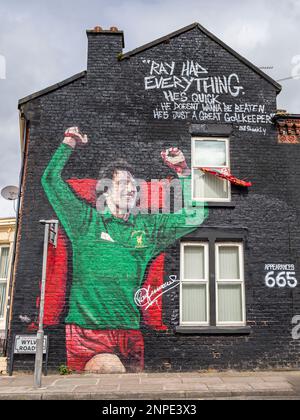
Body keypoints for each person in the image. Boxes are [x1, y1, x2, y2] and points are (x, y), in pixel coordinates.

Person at [42, 127, 207, 373]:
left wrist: (183, 172)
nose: (131, 188)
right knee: (111, 371)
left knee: (129, 390)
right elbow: (50, 181)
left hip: (131, 331)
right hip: (88, 334)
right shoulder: (85, 221)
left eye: (133, 184)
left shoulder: (148, 228)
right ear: (105, 191)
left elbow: (195, 215)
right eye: (122, 183)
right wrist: (68, 142)